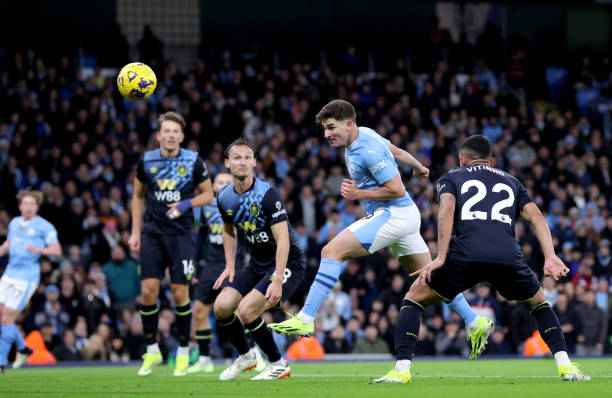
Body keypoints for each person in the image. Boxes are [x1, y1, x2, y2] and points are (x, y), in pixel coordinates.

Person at [269, 100, 491, 360]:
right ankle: (475, 322)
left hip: (393, 214)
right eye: (324, 129)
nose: (327, 134)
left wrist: (357, 193)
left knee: (331, 251)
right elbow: (395, 150)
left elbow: (396, 189)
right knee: (431, 279)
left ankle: (306, 318)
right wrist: (418, 166)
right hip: (404, 215)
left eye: (331, 128)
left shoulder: (367, 149)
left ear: (349, 124)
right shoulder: (365, 134)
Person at [372, 135, 590, 383]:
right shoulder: (512, 181)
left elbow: (447, 209)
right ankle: (566, 367)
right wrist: (550, 256)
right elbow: (537, 216)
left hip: (466, 254)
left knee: (413, 300)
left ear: (462, 159)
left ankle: (401, 370)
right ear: (492, 160)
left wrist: (441, 256)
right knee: (539, 304)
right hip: (507, 256)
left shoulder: (452, 176)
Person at [128, 111, 213, 376]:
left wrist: (186, 204)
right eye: (166, 131)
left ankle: (184, 351)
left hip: (181, 236)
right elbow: (137, 197)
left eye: (175, 131)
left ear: (181, 136)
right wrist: (134, 232)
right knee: (149, 292)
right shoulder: (146, 160)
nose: (171, 135)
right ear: (159, 135)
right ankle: (152, 351)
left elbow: (209, 194)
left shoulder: (193, 161)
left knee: (180, 295)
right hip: (152, 234)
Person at [212, 138, 306, 380]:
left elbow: (283, 241)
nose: (242, 162)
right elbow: (228, 230)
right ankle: (247, 357)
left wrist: (276, 281)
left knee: (246, 311)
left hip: (287, 263)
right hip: (256, 264)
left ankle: (278, 364)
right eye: (237, 158)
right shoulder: (224, 197)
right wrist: (230, 265)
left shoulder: (267, 194)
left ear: (254, 162)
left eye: (247, 158)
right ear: (227, 163)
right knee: (221, 307)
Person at [186, 171, 264, 374]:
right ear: (212, 186)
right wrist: (195, 265)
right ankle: (204, 359)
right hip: (212, 264)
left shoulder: (242, 204)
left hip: (235, 263)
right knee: (199, 311)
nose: (222, 185)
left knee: (237, 312)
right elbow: (201, 236)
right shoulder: (206, 207)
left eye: (226, 182)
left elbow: (251, 234)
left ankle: (251, 353)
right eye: (219, 182)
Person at [0, 189, 62, 372]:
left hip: (27, 277)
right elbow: (11, 241)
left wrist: (40, 250)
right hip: (10, 273)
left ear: (37, 206)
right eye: (25, 204)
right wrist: (3, 247)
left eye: (31, 204)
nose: (28, 207)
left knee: (7, 317)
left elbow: (57, 251)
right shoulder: (14, 223)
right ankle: (24, 348)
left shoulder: (45, 227)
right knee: (1, 316)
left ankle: (1, 361)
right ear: (20, 206)